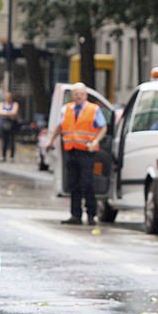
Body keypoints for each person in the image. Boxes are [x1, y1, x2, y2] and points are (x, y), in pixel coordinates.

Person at [46, 83, 107, 225]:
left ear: (85, 95)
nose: (78, 96)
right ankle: (76, 215)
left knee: (87, 183)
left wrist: (95, 141)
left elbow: (103, 127)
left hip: (86, 151)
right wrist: (51, 141)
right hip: (71, 150)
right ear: (72, 96)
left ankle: (91, 214)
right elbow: (60, 127)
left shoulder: (94, 109)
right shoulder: (66, 109)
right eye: (76, 94)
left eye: (81, 94)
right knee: (74, 183)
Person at [0, 91, 19, 161]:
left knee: (12, 140)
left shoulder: (15, 104)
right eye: (7, 97)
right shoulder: (1, 104)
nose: (8, 98)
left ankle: (12, 156)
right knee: (4, 140)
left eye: (9, 97)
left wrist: (5, 114)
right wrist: (9, 114)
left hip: (12, 124)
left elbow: (14, 112)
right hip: (3, 125)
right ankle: (3, 156)